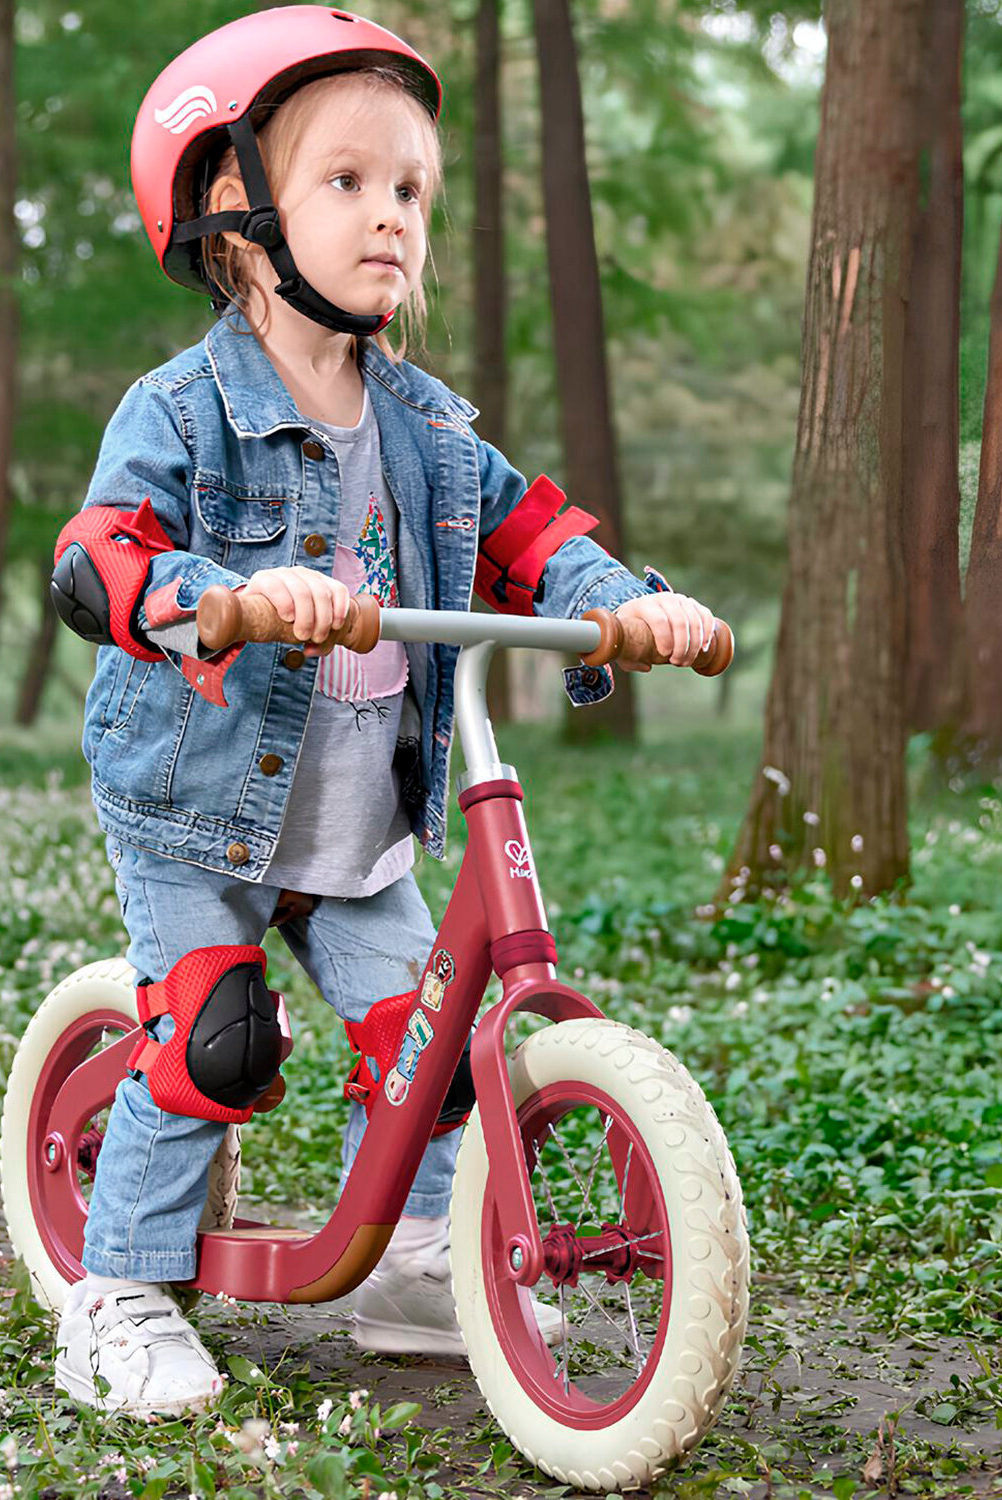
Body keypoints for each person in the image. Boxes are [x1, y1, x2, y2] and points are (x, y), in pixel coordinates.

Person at [48, 4, 717, 1420]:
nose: (393, 217)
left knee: (435, 1035)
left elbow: (538, 535)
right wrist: (216, 597)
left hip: (354, 818)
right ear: (236, 214)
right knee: (211, 1040)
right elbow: (96, 556)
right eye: (347, 182)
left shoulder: (430, 429)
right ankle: (117, 1288)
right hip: (203, 813)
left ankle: (417, 1253)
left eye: (410, 189)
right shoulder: (182, 412)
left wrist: (632, 601)